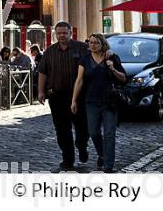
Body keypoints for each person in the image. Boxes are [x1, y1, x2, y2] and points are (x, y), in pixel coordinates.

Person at [37, 21, 90, 172]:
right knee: (62, 130)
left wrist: (108, 53)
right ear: (55, 34)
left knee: (82, 127)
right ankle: (68, 160)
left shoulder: (82, 48)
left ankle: (82, 146)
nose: (61, 36)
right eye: (59, 33)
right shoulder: (50, 51)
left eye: (64, 33)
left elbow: (96, 57)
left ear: (70, 33)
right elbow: (42, 72)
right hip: (57, 96)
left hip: (79, 96)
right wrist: (41, 91)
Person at [71, 34, 126, 173]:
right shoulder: (85, 59)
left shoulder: (112, 57)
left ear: (103, 44)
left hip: (109, 101)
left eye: (96, 42)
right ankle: (102, 154)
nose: (93, 45)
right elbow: (79, 80)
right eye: (91, 42)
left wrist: (112, 68)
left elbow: (123, 78)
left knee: (109, 133)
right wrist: (74, 100)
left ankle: (108, 165)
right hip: (91, 102)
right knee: (93, 132)